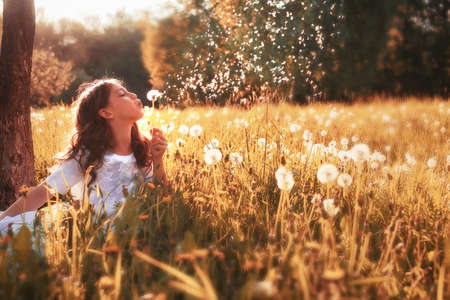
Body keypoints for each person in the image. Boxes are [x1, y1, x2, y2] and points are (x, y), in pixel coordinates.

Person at [0, 78, 169, 232]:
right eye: (122, 94)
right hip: (95, 235)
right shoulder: (88, 157)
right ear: (106, 113)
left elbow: (163, 197)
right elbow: (42, 192)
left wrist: (158, 159)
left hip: (136, 234)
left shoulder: (143, 150)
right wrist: (3, 219)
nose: (133, 94)